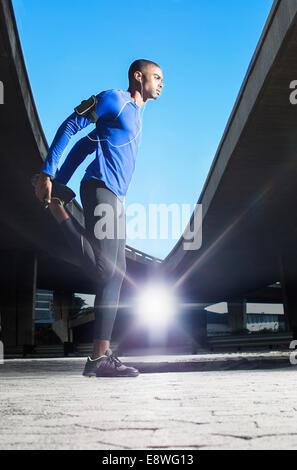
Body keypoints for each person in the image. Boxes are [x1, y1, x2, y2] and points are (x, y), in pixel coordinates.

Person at [34, 59, 164, 377]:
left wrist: (61, 182)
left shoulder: (134, 115)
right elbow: (72, 125)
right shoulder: (114, 100)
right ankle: (56, 209)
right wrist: (48, 173)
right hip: (99, 187)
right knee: (108, 271)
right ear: (138, 76)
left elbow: (86, 143)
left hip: (114, 197)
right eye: (156, 77)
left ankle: (98, 360)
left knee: (115, 276)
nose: (161, 83)